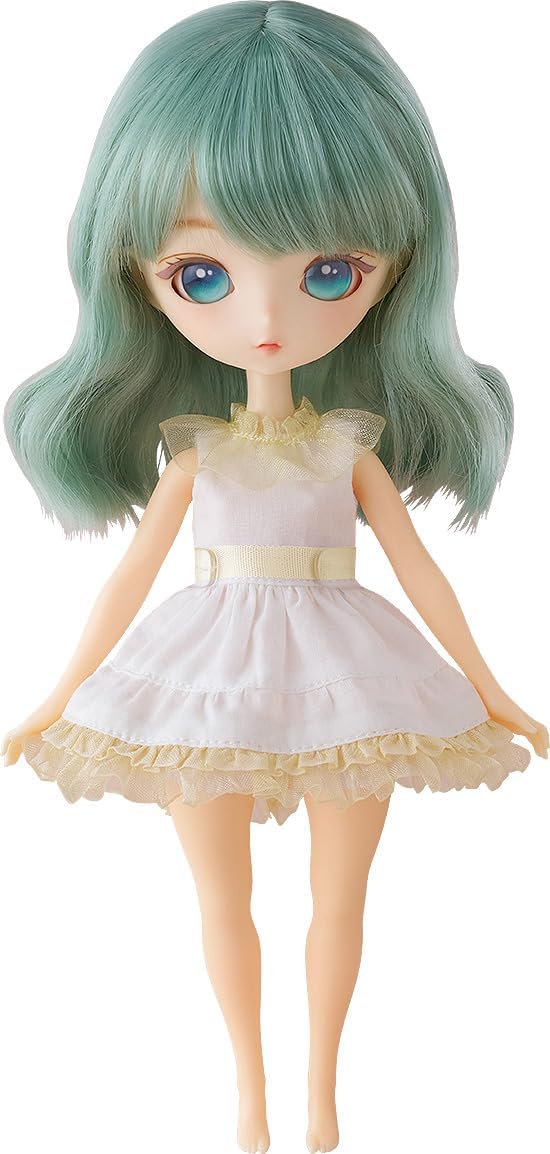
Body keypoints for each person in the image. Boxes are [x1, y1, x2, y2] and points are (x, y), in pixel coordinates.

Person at [2, 4, 547, 1152]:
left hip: (351, 669)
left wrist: (493, 686)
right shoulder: (195, 456)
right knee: (220, 897)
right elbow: (125, 585)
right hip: (203, 669)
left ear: (395, 270)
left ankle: (321, 1098)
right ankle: (248, 1096)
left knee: (341, 898)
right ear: (135, 274)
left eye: (328, 269)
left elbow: (423, 575)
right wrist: (52, 697)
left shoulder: (348, 447)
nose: (264, 317)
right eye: (200, 272)